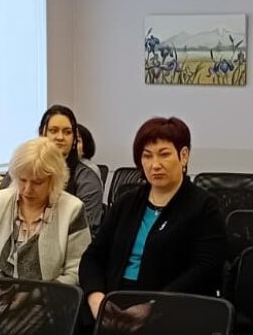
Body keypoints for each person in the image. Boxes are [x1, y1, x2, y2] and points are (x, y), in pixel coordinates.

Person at [78, 116, 226, 320]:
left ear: (183, 156)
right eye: (147, 156)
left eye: (164, 154)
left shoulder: (204, 206)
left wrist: (154, 306)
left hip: (171, 310)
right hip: (112, 303)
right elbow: (92, 257)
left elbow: (205, 270)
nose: (155, 165)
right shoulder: (126, 202)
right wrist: (96, 299)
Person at [0, 137, 91, 284]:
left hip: (50, 294)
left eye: (37, 182)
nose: (27, 189)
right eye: (22, 180)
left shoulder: (72, 209)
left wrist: (42, 293)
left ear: (54, 180)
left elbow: (77, 270)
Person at [3, 105, 103, 234]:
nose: (60, 137)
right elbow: (2, 211)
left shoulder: (87, 178)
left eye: (67, 132)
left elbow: (85, 229)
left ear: (74, 139)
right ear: (42, 133)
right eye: (53, 130)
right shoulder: (22, 168)